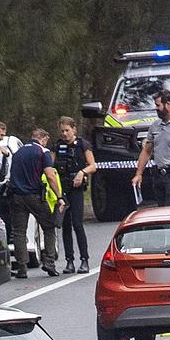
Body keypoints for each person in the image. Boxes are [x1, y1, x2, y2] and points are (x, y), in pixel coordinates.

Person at [9, 127, 65, 279]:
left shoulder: (18, 153)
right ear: (44, 138)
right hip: (34, 196)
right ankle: (49, 262)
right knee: (48, 227)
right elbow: (50, 175)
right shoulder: (43, 152)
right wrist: (59, 196)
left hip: (17, 197)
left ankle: (21, 267)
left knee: (19, 232)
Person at [53, 116, 96, 274]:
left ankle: (84, 259)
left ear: (74, 130)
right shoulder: (57, 146)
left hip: (76, 188)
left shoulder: (82, 145)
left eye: (67, 130)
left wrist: (81, 172)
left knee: (77, 224)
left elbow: (93, 166)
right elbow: (51, 168)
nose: (65, 134)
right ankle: (69, 261)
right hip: (62, 188)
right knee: (65, 226)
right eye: (62, 131)